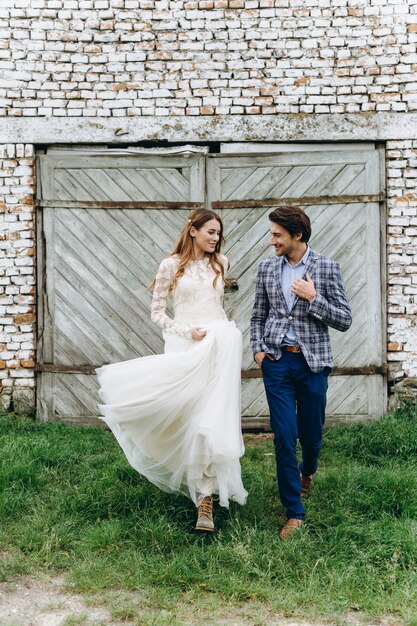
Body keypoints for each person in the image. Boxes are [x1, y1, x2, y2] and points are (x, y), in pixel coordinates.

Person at [96, 208, 247, 532]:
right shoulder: (170, 266)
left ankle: (205, 500)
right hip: (184, 344)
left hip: (217, 347)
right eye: (210, 232)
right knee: (185, 417)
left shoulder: (222, 263)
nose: (215, 238)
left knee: (211, 419)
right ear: (193, 231)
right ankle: (188, 476)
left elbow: (217, 306)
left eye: (218, 234)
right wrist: (186, 331)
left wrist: (221, 333)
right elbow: (157, 313)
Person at [250, 206, 352, 540]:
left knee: (310, 435)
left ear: (297, 235)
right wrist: (258, 351)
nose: (271, 241)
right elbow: (257, 316)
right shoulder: (266, 269)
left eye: (277, 235)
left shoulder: (326, 267)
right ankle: (294, 512)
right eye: (271, 234)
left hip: (313, 364)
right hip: (277, 362)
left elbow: (344, 320)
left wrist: (314, 298)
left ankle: (308, 470)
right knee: (283, 434)